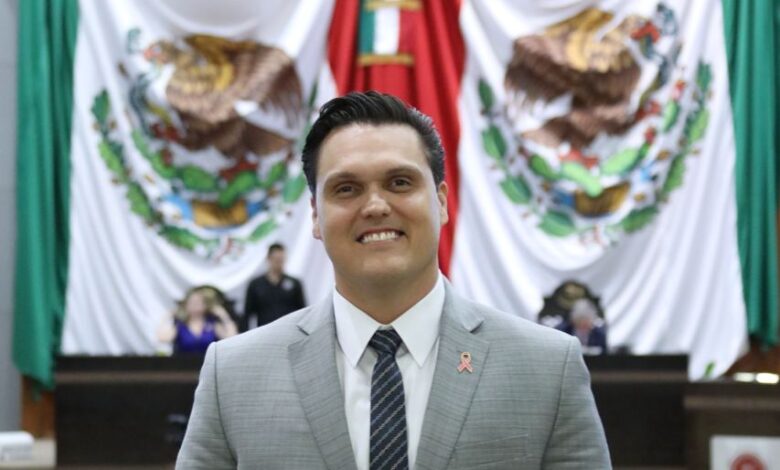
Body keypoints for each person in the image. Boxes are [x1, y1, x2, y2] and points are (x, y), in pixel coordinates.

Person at [177, 91, 611, 468]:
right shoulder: (232, 375)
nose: (376, 206)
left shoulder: (547, 368)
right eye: (346, 189)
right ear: (315, 216)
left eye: (400, 182)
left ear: (441, 202)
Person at [241, 243, 306, 331]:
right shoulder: (256, 285)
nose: (279, 263)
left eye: (281, 260)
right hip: (265, 331)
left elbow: (303, 311)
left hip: (289, 331)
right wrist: (245, 334)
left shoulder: (294, 283)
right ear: (268, 259)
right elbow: (247, 314)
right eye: (276, 260)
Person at [157, 286, 238, 354]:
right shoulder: (180, 325)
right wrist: (166, 317)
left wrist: (224, 317)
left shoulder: (212, 324)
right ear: (186, 305)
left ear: (206, 305)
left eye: (198, 302)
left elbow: (231, 339)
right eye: (191, 302)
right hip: (184, 365)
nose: (194, 305)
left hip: (208, 365)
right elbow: (162, 338)